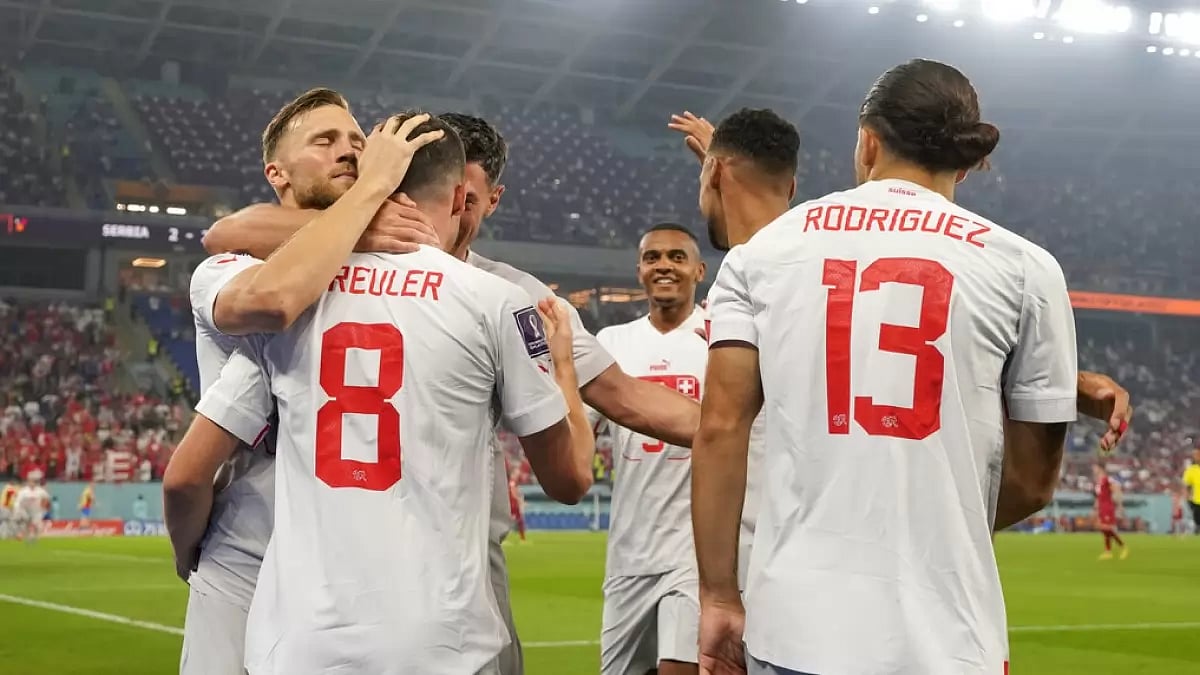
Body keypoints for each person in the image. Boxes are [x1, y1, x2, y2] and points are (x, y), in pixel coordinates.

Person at [202, 110, 703, 675]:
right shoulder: (497, 299)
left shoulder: (316, 274)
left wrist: (741, 424)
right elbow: (572, 474)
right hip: (434, 621)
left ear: (487, 200)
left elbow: (627, 396)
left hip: (389, 594)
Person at [691, 59, 1079, 675]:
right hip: (950, 636)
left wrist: (717, 594)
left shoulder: (763, 253)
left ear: (868, 141)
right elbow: (1033, 484)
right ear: (969, 158)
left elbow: (720, 428)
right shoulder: (1028, 268)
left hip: (794, 625)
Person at [670, 107, 1135, 595]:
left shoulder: (767, 269)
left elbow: (710, 423)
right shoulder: (1013, 264)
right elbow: (908, 330)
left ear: (868, 145)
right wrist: (1068, 387)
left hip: (784, 570)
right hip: (905, 580)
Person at [175, 88, 439, 675]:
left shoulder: (393, 271)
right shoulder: (233, 266)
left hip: (359, 566)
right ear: (277, 172)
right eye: (325, 141)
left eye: (356, 142)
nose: (349, 152)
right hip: (247, 556)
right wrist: (365, 211)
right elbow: (246, 260)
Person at [592, 222, 707, 675]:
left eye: (677, 257)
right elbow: (578, 432)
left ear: (699, 270)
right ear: (639, 269)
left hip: (694, 553)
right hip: (629, 552)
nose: (664, 265)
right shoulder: (611, 344)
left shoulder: (718, 340)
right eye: (653, 257)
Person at [1093, 463, 1127, 559]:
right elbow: (1098, 496)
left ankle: (1123, 546)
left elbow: (1116, 488)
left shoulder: (1106, 479)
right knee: (1104, 529)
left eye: (1095, 468)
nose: (1094, 470)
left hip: (1108, 507)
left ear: (1100, 469)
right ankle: (1108, 552)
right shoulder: (1098, 482)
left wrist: (1119, 502)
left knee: (1107, 528)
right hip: (1101, 507)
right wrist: (1096, 507)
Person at [15, 473, 49, 544]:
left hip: (36, 511)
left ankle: (33, 538)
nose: (32, 483)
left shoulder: (40, 490)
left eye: (33, 481)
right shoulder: (23, 491)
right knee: (28, 524)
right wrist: (18, 510)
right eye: (30, 481)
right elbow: (18, 501)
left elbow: (46, 498)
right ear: (28, 482)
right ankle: (24, 536)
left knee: (38, 527)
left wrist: (44, 507)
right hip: (25, 511)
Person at [1183, 448, 1200, 534]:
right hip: (1196, 501)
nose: (1197, 457)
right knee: (1198, 523)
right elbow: (1186, 486)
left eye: (1198, 454)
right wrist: (1188, 499)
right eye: (1195, 455)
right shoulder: (1191, 470)